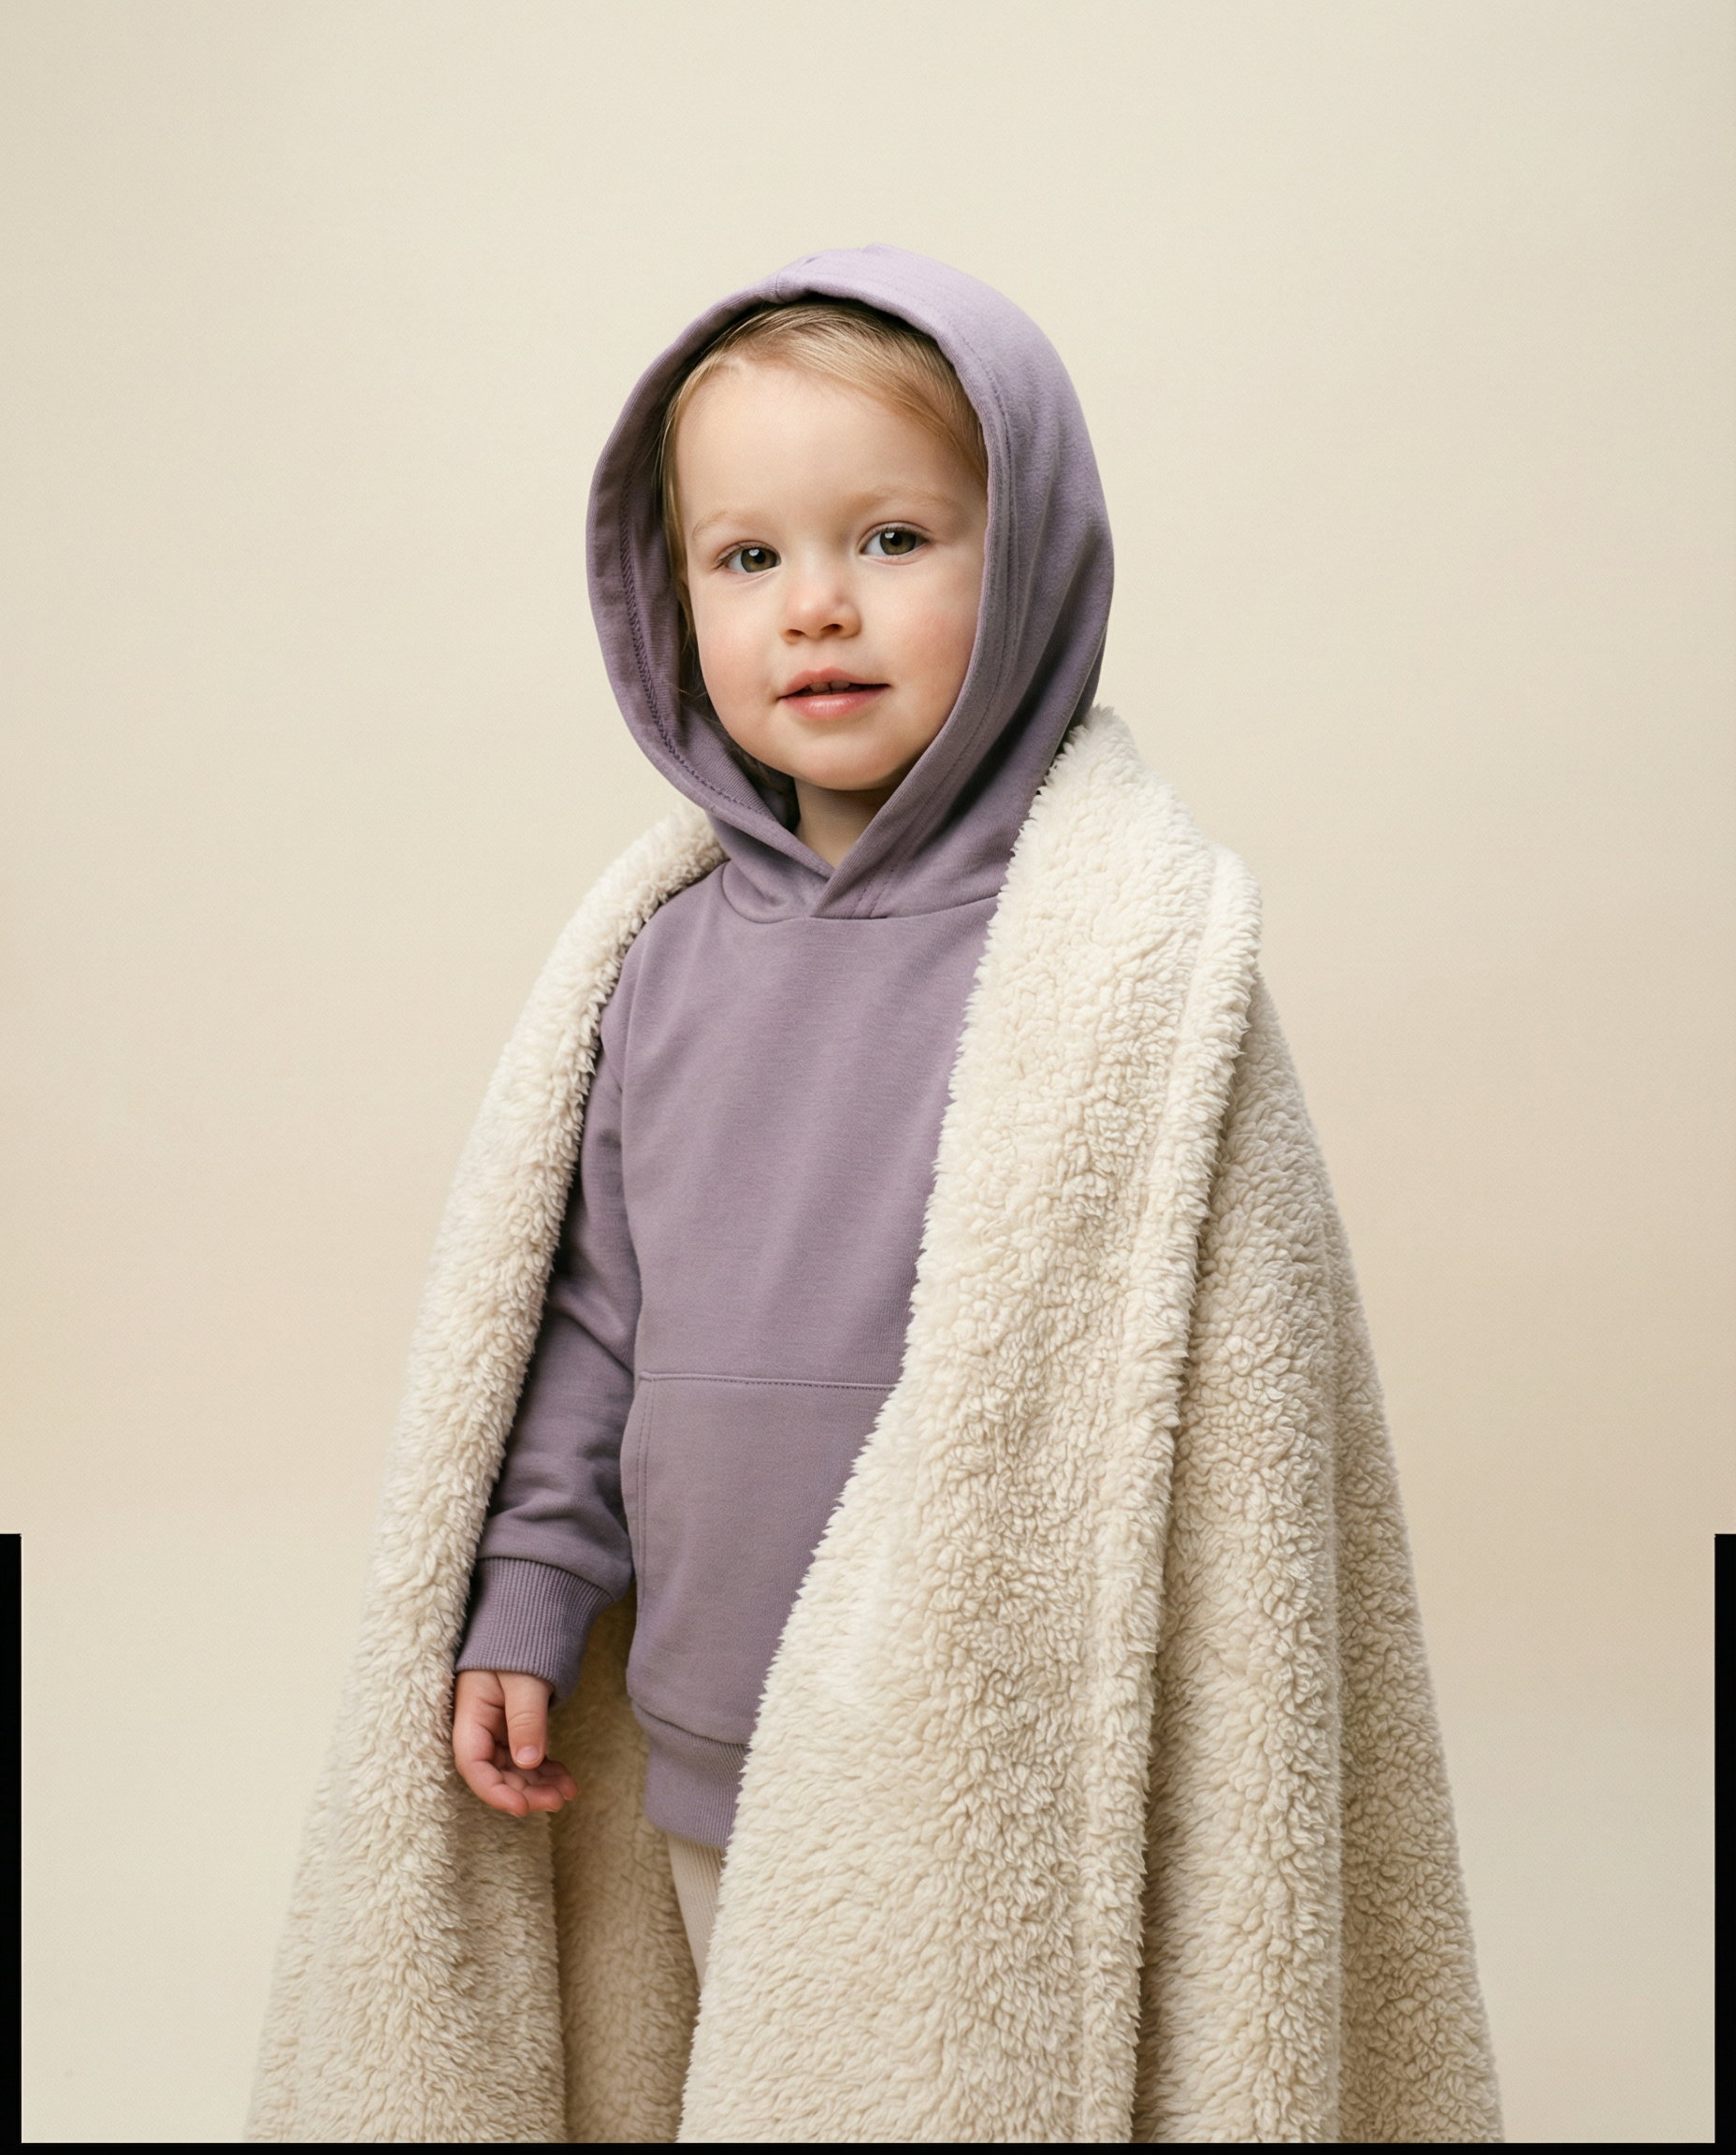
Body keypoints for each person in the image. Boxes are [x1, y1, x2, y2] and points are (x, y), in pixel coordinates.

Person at [250, 246, 1503, 2144]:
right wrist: (529, 1590)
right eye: (746, 556)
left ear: (1032, 561)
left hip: (984, 1751)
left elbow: (1230, 1406)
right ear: (670, 597)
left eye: (894, 538)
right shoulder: (657, 962)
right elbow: (589, 1315)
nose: (816, 604)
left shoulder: (1121, 960)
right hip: (705, 1720)